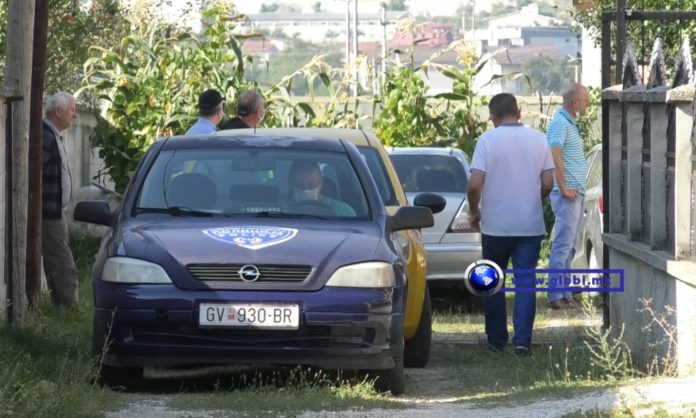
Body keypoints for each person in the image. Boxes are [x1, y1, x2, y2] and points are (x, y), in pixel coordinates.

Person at [467, 93, 554, 355]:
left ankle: (496, 341)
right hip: (529, 225)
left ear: (493, 116)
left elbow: (474, 184)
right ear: (518, 112)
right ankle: (522, 341)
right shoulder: (539, 138)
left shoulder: (487, 140)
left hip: (495, 226)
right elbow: (549, 182)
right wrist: (532, 198)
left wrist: (474, 212)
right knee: (526, 282)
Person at [546, 83, 590, 310]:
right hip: (568, 194)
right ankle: (555, 295)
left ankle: (565, 294)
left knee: (571, 245)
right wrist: (563, 187)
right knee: (563, 245)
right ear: (575, 103)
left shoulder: (568, 124)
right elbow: (554, 153)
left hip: (575, 192)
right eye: (585, 101)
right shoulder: (560, 123)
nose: (587, 105)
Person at [42, 92, 79, 307]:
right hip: (49, 212)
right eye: (72, 110)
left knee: (56, 259)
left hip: (56, 210)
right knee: (63, 262)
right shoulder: (46, 136)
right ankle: (70, 306)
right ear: (58, 111)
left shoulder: (52, 135)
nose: (74, 115)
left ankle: (61, 305)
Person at [288, 160, 355, 217]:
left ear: (321, 183)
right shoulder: (280, 209)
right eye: (300, 185)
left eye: (311, 184)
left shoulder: (342, 211)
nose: (306, 189)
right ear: (291, 183)